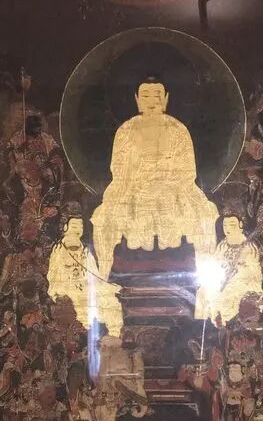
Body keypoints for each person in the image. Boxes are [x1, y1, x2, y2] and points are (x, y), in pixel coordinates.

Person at [91, 77, 219, 279]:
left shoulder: (178, 130)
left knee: (205, 214)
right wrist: (140, 179)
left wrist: (164, 179)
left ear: (166, 99)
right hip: (135, 190)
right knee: (103, 217)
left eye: (157, 95)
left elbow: (188, 171)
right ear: (137, 100)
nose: (152, 101)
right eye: (146, 95)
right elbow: (118, 168)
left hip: (172, 190)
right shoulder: (126, 130)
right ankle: (103, 276)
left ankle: (206, 280)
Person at [47, 215, 123, 337]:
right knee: (83, 306)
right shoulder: (58, 251)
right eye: (74, 226)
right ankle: (88, 334)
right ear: (65, 227)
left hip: (86, 287)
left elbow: (94, 275)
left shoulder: (85, 251)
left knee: (111, 300)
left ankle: (114, 335)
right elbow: (54, 276)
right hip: (68, 288)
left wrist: (107, 287)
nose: (78, 230)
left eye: (80, 226)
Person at [195, 214, 263, 325]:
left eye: (232, 225)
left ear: (240, 225)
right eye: (225, 225)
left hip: (241, 282)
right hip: (222, 279)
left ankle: (224, 320)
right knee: (203, 293)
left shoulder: (249, 247)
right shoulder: (222, 245)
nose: (228, 228)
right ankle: (209, 320)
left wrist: (239, 269)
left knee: (227, 298)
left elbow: (253, 271)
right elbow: (215, 262)